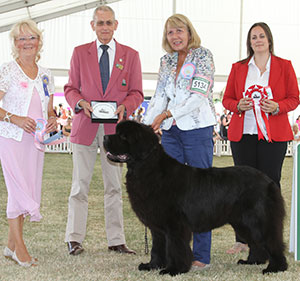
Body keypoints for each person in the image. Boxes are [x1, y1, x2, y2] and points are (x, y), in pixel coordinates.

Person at [64, 5, 143, 255]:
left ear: (116, 25)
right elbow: (70, 88)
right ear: (93, 25)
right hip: (84, 128)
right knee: (79, 185)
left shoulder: (131, 55)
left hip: (116, 133)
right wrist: (80, 103)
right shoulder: (79, 53)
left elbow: (137, 93)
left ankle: (116, 240)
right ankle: (74, 238)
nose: (105, 28)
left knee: (115, 187)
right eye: (100, 23)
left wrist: (125, 106)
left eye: (109, 23)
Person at [143, 14, 216, 269]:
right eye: (170, 32)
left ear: (189, 32)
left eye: (179, 31)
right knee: (169, 196)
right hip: (171, 133)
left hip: (197, 129)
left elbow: (199, 95)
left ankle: (202, 256)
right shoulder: (166, 61)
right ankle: (171, 254)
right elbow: (159, 96)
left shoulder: (203, 56)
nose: (175, 36)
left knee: (200, 192)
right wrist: (145, 123)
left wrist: (168, 114)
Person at [222, 22, 299, 254]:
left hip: (273, 137)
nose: (257, 40)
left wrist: (277, 106)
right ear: (249, 42)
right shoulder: (238, 68)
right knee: (241, 188)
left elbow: (294, 98)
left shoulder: (284, 66)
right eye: (253, 37)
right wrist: (238, 105)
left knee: (270, 186)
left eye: (261, 36)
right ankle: (243, 240)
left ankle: (271, 239)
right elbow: (227, 99)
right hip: (242, 135)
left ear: (269, 40)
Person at [0, 19, 57, 267]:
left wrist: (53, 119)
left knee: (28, 189)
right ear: (15, 43)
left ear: (39, 41)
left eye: (31, 37)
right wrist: (16, 119)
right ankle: (21, 251)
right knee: (17, 191)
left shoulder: (46, 74)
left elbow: (49, 109)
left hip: (35, 142)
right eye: (21, 38)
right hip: (11, 138)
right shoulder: (7, 71)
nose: (27, 43)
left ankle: (10, 246)